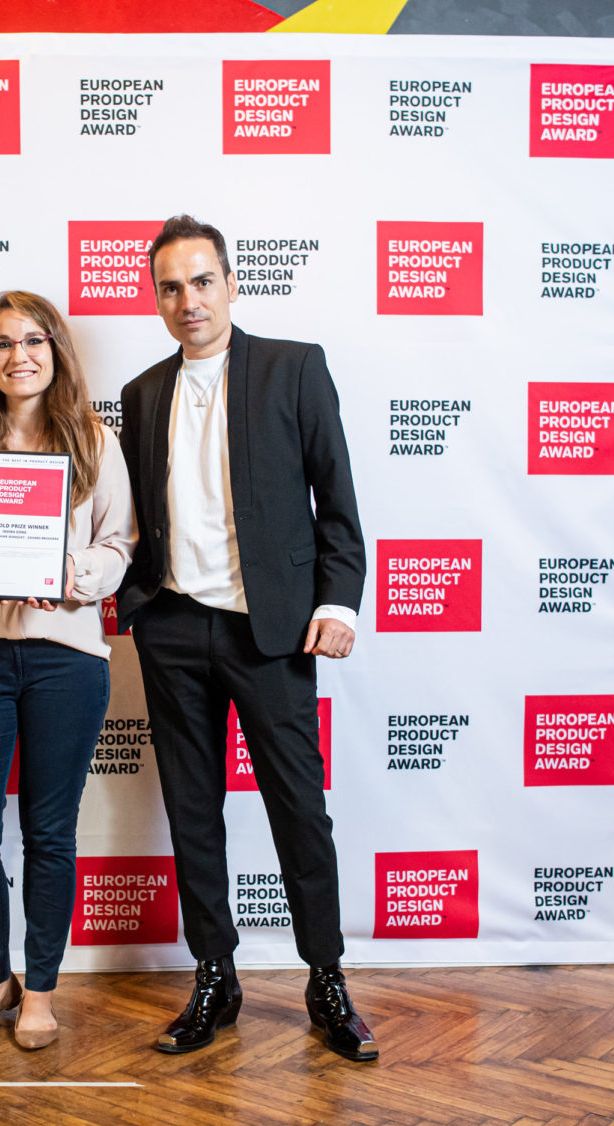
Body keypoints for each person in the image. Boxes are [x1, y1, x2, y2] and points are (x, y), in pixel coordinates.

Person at [115, 215, 377, 1062]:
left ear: (231, 283)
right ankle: (214, 977)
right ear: (157, 299)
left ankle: (326, 978)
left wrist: (338, 605)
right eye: (170, 287)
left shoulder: (294, 368)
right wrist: (129, 600)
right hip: (172, 628)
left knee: (299, 807)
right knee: (193, 812)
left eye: (202, 281)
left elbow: (338, 501)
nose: (188, 300)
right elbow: (133, 519)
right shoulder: (141, 394)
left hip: (272, 633)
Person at [0, 291, 136, 1049]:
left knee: (49, 833)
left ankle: (39, 990)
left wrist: (72, 573)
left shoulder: (96, 443)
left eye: (34, 341)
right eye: (3, 343)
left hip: (65, 657)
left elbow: (120, 546)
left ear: (56, 352)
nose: (20, 356)